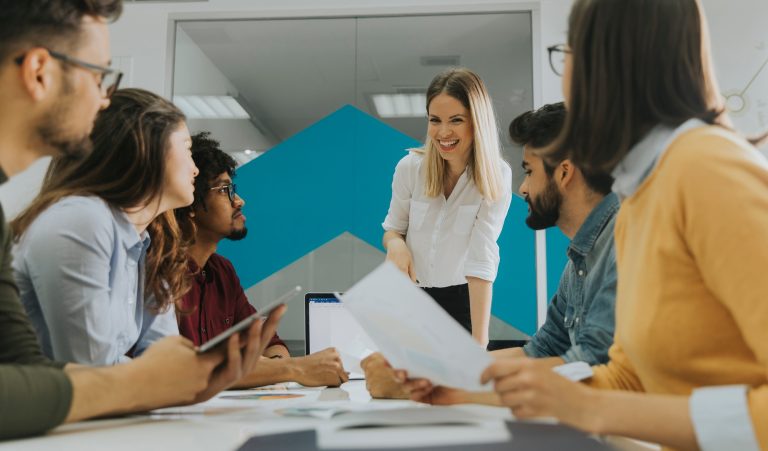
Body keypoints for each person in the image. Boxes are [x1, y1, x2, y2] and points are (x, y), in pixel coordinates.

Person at [481, 0, 768, 450]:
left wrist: (589, 408)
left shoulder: (705, 169)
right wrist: (453, 390)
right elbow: (625, 378)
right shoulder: (639, 194)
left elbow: (610, 404)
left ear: (604, 62)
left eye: (568, 52)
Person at [0, 0, 280, 440]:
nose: (103, 98)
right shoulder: (81, 220)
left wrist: (199, 373)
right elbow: (93, 374)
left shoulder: (149, 241)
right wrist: (170, 377)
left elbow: (160, 363)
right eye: (98, 76)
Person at [364, 103, 619, 401]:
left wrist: (432, 386)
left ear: (564, 173)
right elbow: (542, 351)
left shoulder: (623, 248)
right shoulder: (581, 259)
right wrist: (421, 372)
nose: (523, 188)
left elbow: (591, 370)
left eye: (529, 172)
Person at [175, 132, 349, 387]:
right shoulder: (160, 273)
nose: (239, 200)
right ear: (191, 204)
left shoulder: (222, 271)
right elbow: (185, 370)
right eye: (225, 190)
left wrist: (274, 366)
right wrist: (294, 369)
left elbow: (269, 345)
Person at [382, 68, 512, 345]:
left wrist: (480, 342)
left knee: (460, 383)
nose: (443, 132)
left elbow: (481, 258)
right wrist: (396, 245)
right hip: (410, 297)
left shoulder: (496, 176)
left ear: (477, 122)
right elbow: (393, 230)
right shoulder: (409, 168)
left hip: (461, 301)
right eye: (435, 120)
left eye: (456, 120)